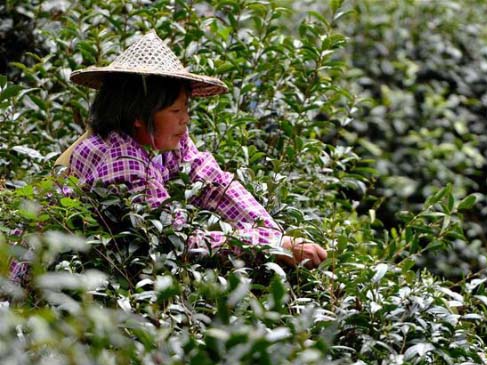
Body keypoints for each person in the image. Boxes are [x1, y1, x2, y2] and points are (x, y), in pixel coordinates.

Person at [61, 31, 327, 268]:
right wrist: (266, 245)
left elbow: (213, 184)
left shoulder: (161, 138)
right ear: (138, 116)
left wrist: (276, 236)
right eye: (176, 110)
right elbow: (174, 241)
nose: (185, 119)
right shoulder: (121, 163)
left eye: (185, 108)